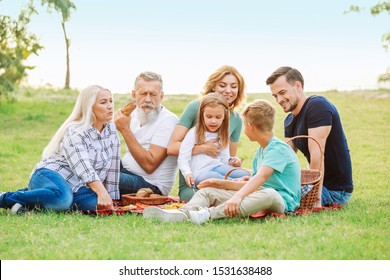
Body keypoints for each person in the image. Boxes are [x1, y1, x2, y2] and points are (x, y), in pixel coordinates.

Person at [143, 100, 301, 225]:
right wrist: (217, 183)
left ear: (249, 126)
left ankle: (207, 215)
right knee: (208, 190)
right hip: (256, 193)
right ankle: (182, 213)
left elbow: (260, 180)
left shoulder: (278, 149)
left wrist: (236, 197)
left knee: (270, 194)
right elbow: (253, 182)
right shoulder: (261, 151)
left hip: (280, 200)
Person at [0, 85, 121, 214]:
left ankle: (29, 204)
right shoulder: (75, 132)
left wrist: (112, 199)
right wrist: (102, 192)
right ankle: (5, 198)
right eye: (103, 102)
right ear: (89, 107)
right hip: (50, 174)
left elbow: (113, 167)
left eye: (111, 101)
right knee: (63, 200)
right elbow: (85, 168)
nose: (110, 106)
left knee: (94, 203)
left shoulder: (111, 130)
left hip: (77, 186)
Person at [265, 66, 353, 206]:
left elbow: (318, 154)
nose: (279, 99)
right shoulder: (289, 120)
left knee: (274, 199)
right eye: (275, 96)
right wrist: (260, 178)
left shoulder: (317, 106)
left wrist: (315, 197)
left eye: (282, 92)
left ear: (298, 86)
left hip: (334, 191)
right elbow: (283, 158)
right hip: (316, 183)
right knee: (264, 190)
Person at [168, 65, 246, 201]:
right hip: (193, 182)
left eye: (233, 86)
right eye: (222, 85)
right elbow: (172, 148)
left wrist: (235, 162)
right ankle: (242, 190)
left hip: (218, 171)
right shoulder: (196, 108)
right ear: (213, 86)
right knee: (231, 194)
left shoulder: (236, 119)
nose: (228, 91)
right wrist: (202, 148)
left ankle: (246, 187)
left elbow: (226, 158)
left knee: (243, 178)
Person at [114, 71, 178, 196]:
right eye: (143, 93)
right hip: (127, 172)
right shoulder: (132, 114)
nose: (148, 99)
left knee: (101, 176)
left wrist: (125, 130)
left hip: (150, 185)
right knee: (96, 165)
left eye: (153, 94)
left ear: (161, 96)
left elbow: (150, 165)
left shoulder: (169, 121)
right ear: (134, 95)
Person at [178, 93, 250, 189]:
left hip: (217, 166)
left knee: (245, 173)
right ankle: (239, 185)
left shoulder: (223, 135)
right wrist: (187, 173)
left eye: (218, 117)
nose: (213, 121)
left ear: (224, 117)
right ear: (202, 115)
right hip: (200, 173)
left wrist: (232, 162)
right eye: (209, 116)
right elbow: (183, 157)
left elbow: (224, 160)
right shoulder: (194, 133)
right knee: (212, 178)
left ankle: (247, 183)